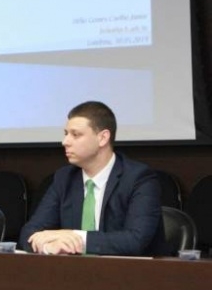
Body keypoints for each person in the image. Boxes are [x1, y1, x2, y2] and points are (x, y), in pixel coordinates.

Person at [19, 101, 167, 256]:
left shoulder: (139, 178)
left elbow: (135, 240)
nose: (65, 142)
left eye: (75, 135)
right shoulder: (65, 178)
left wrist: (74, 237)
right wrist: (49, 247)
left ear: (103, 138)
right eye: (66, 134)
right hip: (74, 269)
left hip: (130, 270)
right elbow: (29, 233)